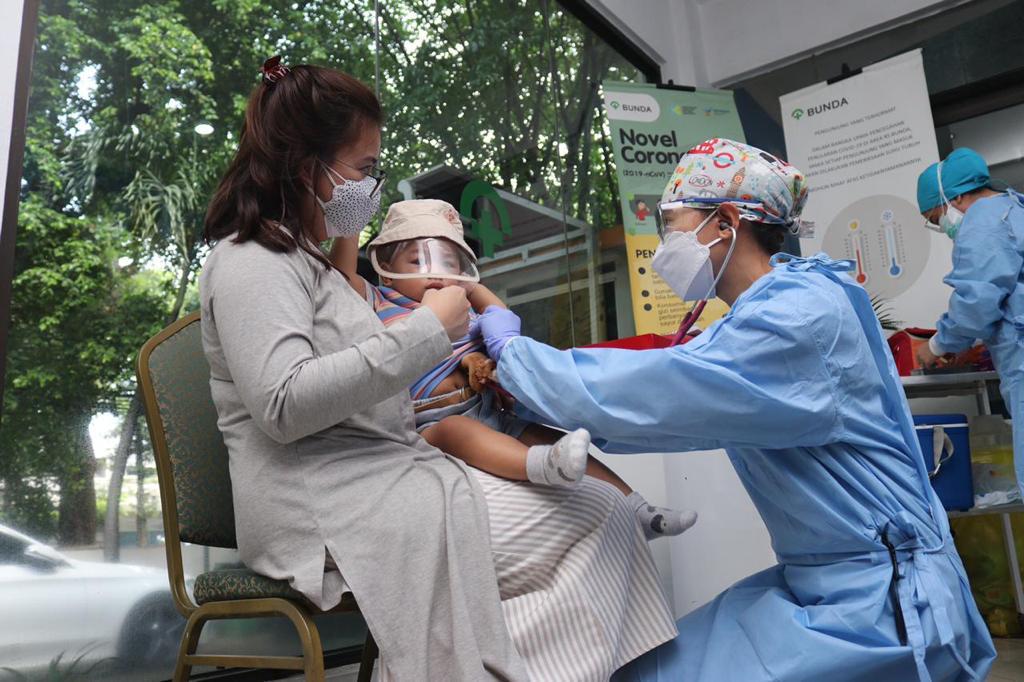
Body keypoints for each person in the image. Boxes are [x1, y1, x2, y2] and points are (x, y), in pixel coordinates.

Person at [199, 57, 677, 681]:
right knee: (603, 519)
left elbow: (359, 368)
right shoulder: (251, 262)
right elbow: (284, 405)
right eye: (364, 170)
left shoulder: (307, 265)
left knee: (604, 514)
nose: (371, 188)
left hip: (390, 478)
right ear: (303, 165)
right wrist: (432, 331)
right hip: (328, 508)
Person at [477, 138, 996, 681]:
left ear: (725, 222)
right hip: (830, 583)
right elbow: (673, 378)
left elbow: (659, 393)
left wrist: (512, 355)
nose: (665, 243)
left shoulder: (796, 318)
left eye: (672, 222)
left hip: (881, 606)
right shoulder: (783, 304)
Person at [331, 198, 697, 539]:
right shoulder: (376, 301)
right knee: (456, 429)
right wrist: (352, 219)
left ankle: (640, 510)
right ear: (386, 270)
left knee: (549, 435)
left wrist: (468, 288)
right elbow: (339, 278)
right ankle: (540, 467)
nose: (436, 274)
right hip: (428, 429)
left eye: (449, 264)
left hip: (489, 412)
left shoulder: (464, 309)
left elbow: (500, 315)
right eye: (418, 262)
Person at [915, 147, 1024, 501]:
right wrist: (977, 344)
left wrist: (935, 346)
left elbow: (976, 303)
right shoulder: (1015, 209)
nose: (940, 226)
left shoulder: (983, 222)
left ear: (957, 197)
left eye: (935, 217)